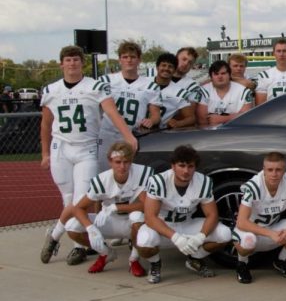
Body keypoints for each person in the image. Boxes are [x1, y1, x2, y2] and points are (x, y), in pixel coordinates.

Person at [39, 45, 139, 265]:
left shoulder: (96, 87)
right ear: (61, 64)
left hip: (86, 148)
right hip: (61, 148)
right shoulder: (51, 90)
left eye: (76, 59)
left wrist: (128, 136)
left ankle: (58, 237)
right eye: (68, 60)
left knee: (81, 200)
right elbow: (46, 124)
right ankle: (74, 242)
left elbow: (113, 113)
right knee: (67, 199)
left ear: (81, 63)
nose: (72, 63)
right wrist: (45, 152)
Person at [135, 145, 231, 284]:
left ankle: (195, 259)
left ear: (195, 167)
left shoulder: (203, 182)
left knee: (225, 234)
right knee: (144, 243)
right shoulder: (158, 181)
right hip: (163, 225)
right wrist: (175, 237)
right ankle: (155, 264)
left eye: (190, 166)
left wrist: (200, 237)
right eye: (182, 165)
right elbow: (150, 217)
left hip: (187, 223)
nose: (186, 171)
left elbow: (212, 215)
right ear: (173, 166)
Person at [65, 141, 152, 275]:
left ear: (131, 160)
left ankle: (134, 259)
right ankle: (106, 253)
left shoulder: (142, 172)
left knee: (137, 216)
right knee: (72, 226)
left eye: (126, 162)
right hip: (109, 220)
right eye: (118, 162)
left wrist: (116, 207)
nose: (122, 166)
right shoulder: (102, 180)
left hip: (133, 222)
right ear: (110, 161)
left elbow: (147, 205)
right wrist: (90, 228)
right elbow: (78, 208)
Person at [232, 152, 286, 284]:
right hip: (251, 231)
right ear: (264, 169)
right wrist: (271, 234)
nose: (274, 174)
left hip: (273, 228)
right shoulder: (254, 186)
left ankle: (281, 260)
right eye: (270, 170)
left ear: (284, 170)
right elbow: (241, 222)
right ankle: (242, 264)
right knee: (249, 240)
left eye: (278, 170)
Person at [97, 41, 161, 171]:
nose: (129, 60)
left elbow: (156, 114)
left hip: (132, 134)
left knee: (126, 173)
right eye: (125, 57)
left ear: (139, 60)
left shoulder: (150, 85)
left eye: (133, 57)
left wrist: (151, 120)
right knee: (102, 173)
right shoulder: (105, 81)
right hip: (107, 133)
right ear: (120, 59)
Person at [195, 61, 253, 127]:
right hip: (210, 133)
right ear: (211, 77)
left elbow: (246, 117)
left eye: (223, 73)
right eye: (216, 74)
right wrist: (234, 116)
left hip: (235, 131)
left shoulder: (243, 91)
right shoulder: (204, 91)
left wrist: (223, 118)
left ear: (229, 74)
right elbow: (202, 122)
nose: (220, 76)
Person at [254, 38, 286, 104]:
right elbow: (261, 106)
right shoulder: (264, 76)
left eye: (284, 51)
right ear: (274, 54)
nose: (281, 54)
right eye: (278, 51)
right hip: (272, 113)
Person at [155, 53, 197, 129]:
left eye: (170, 66)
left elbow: (191, 118)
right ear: (157, 67)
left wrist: (178, 123)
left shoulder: (180, 92)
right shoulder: (145, 83)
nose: (166, 68)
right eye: (163, 65)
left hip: (159, 133)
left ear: (174, 70)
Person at [164, 47, 202, 129]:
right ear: (175, 58)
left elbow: (190, 117)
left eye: (190, 62)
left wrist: (178, 123)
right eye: (183, 59)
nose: (185, 64)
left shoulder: (192, 86)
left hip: (167, 130)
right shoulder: (157, 75)